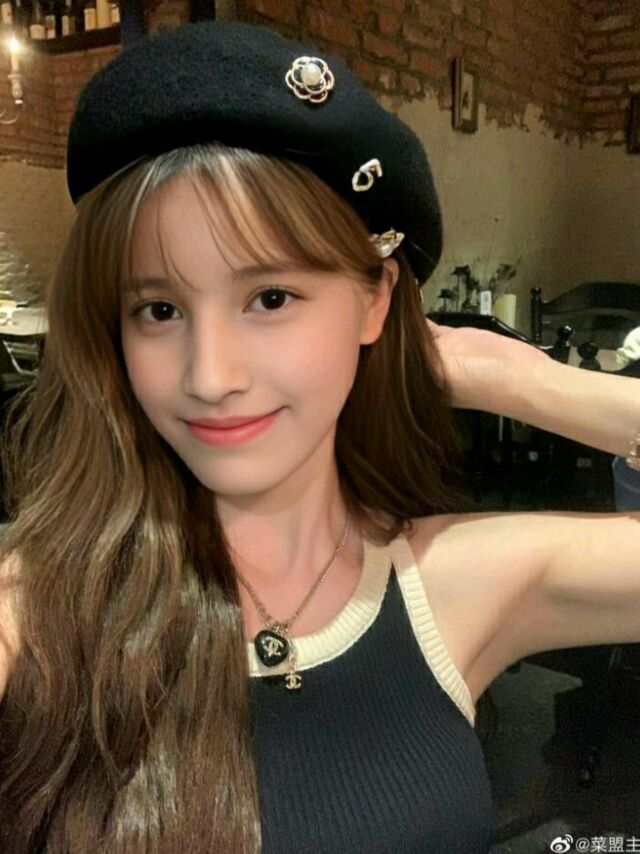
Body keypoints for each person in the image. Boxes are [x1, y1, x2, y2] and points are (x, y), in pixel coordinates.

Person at [0, 19, 638, 854]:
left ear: (375, 299)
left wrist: (513, 377)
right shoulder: (35, 614)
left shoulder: (448, 586)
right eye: (158, 310)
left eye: (270, 298)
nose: (210, 376)